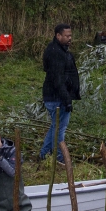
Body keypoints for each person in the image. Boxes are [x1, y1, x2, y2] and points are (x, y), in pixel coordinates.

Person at [39, 23, 80, 162]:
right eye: (67, 36)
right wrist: (67, 99)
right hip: (57, 98)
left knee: (55, 127)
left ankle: (44, 154)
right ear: (58, 35)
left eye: (70, 35)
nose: (70, 38)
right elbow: (57, 80)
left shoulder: (59, 50)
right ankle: (59, 157)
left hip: (55, 96)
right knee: (59, 129)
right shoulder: (56, 53)